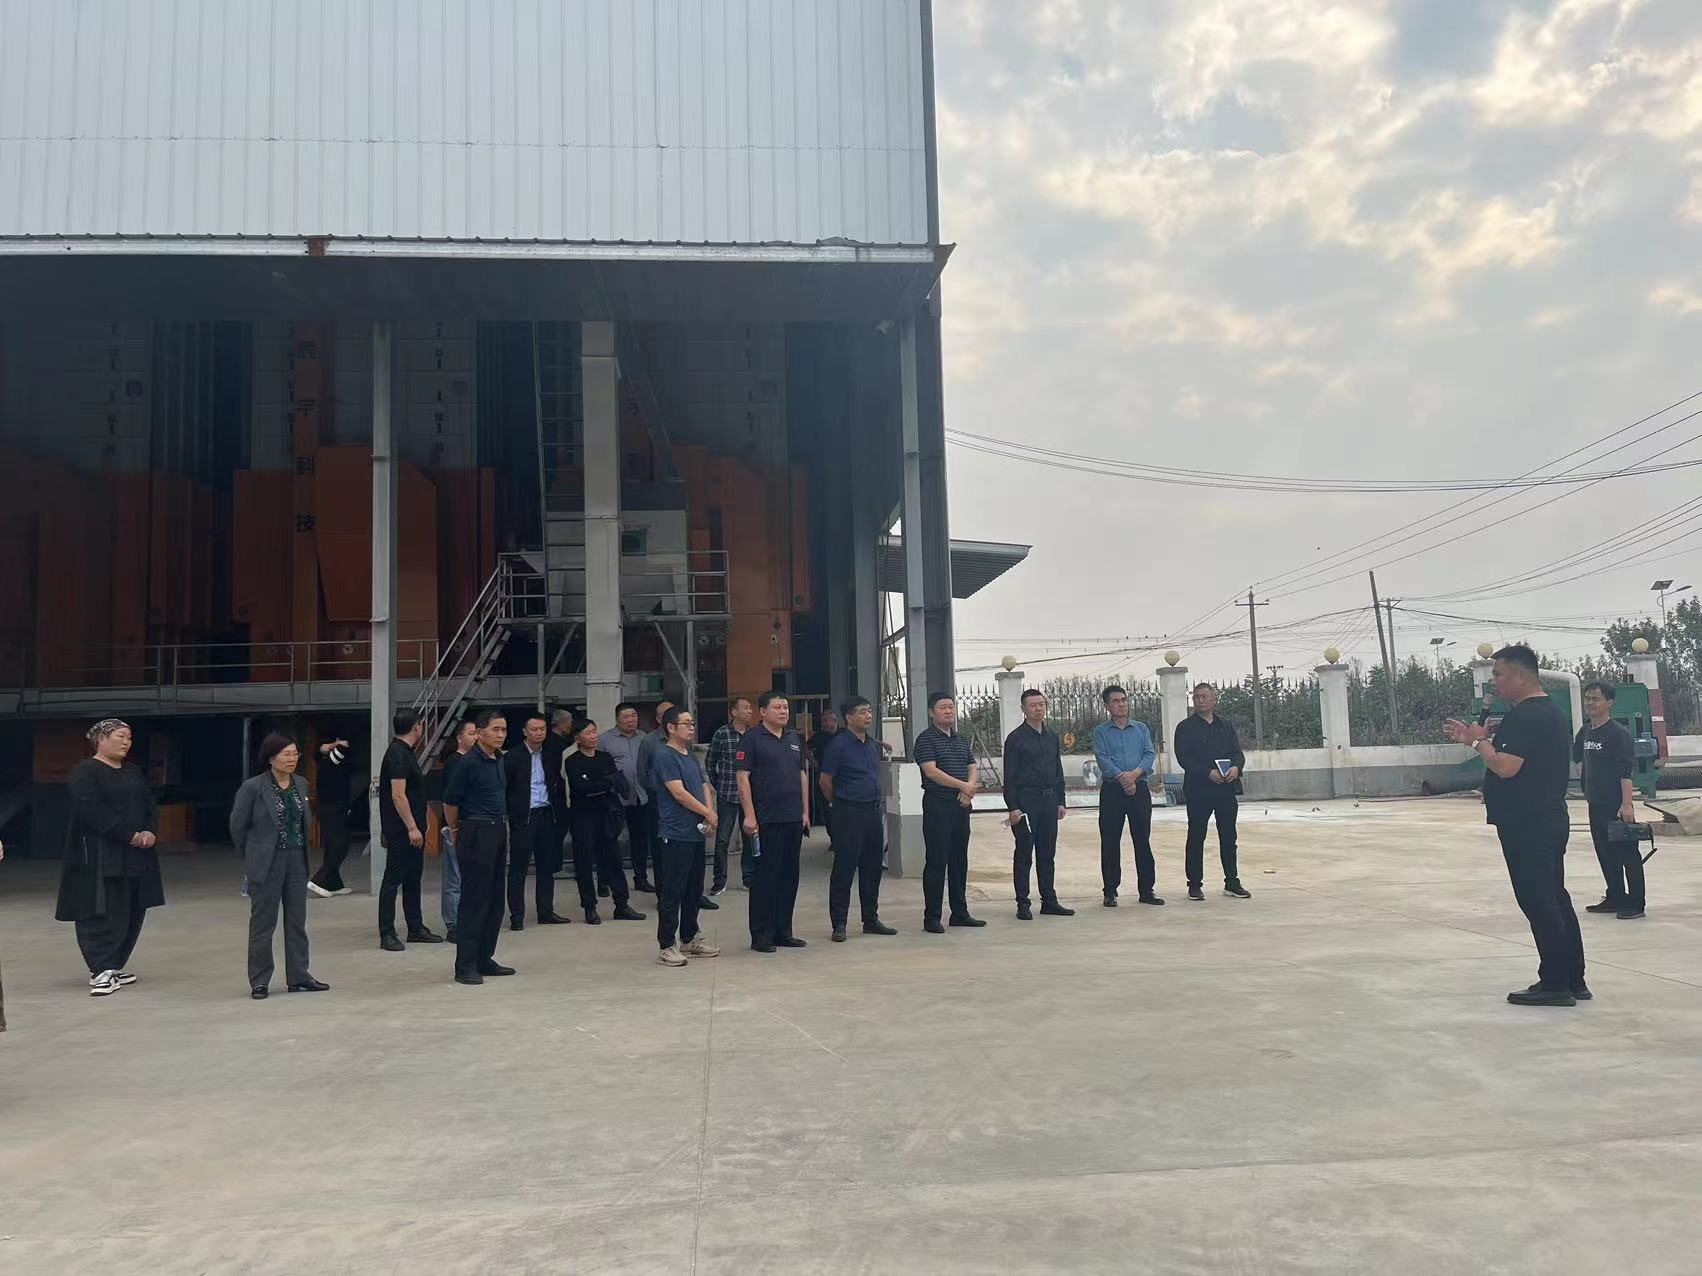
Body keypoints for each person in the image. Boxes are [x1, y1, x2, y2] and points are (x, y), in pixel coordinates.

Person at [1447, 644, 1587, 1006]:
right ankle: (1573, 979)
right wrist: (1477, 740)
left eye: (1498, 674)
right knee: (1554, 897)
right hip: (1546, 818)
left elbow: (1505, 766)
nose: (1494, 682)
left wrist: (1478, 741)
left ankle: (1555, 984)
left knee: (1539, 900)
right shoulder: (1548, 712)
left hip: (1528, 823)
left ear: (1520, 675)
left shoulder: (1526, 716)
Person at [57, 719, 164, 998]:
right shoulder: (85, 772)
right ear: (101, 739)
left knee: (132, 908)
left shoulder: (133, 772)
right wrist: (129, 835)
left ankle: (114, 964)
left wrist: (150, 830)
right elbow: (91, 811)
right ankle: (101, 968)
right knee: (102, 909)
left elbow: (149, 804)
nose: (126, 742)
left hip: (137, 853)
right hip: (101, 854)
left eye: (129, 737)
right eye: (120, 736)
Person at [230, 733, 329, 1000]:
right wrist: (254, 855)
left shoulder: (301, 783)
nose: (292, 759)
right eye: (286, 754)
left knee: (297, 921)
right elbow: (237, 826)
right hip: (267, 860)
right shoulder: (253, 787)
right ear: (271, 757)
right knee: (263, 923)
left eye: (295, 754)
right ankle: (260, 980)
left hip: (297, 859)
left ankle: (299, 976)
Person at [442, 709, 517, 985]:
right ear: (480, 732)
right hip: (475, 829)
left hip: (497, 828)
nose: (500, 734)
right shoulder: (468, 763)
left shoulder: (499, 759)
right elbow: (450, 801)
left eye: (504, 730)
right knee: (474, 899)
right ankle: (465, 965)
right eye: (495, 729)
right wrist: (455, 830)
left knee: (495, 898)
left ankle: (485, 958)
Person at [737, 690, 811, 952]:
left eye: (786, 708)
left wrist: (805, 812)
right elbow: (742, 778)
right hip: (766, 819)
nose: (783, 712)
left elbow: (802, 775)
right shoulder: (752, 739)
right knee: (765, 878)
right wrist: (749, 815)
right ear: (763, 712)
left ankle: (783, 932)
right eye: (777, 707)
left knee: (789, 877)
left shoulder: (793, 738)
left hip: (793, 817)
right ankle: (761, 935)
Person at [650, 706, 723, 966]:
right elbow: (679, 794)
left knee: (694, 889)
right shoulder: (664, 755)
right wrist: (708, 813)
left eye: (692, 723)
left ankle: (690, 937)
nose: (692, 728)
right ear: (670, 727)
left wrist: (709, 814)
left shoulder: (689, 754)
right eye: (686, 724)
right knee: (673, 890)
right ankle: (666, 944)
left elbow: (703, 785)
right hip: (675, 833)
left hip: (695, 832)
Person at [820, 696, 897, 941]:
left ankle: (870, 919)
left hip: (873, 811)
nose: (868, 715)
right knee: (845, 867)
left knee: (872, 867)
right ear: (849, 717)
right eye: (862, 712)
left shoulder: (872, 744)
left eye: (869, 711)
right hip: (848, 812)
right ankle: (839, 924)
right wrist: (838, 802)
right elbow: (825, 781)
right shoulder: (838, 745)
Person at [563, 719, 646, 925]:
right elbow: (581, 788)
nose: (593, 736)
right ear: (577, 738)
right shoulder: (572, 761)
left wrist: (601, 783)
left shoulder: (605, 757)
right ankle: (589, 907)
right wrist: (606, 782)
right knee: (584, 862)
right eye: (588, 733)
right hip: (583, 817)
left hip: (606, 815)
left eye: (594, 731)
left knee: (614, 860)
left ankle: (622, 904)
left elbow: (617, 783)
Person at [913, 692, 983, 934]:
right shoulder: (926, 739)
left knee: (959, 860)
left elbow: (972, 765)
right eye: (943, 707)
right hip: (938, 804)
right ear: (931, 712)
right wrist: (963, 786)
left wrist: (969, 788)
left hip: (961, 805)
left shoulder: (960, 739)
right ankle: (932, 917)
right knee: (936, 861)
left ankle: (960, 913)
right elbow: (931, 772)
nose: (948, 711)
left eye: (951, 707)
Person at [1174, 683, 1251, 902]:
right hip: (1199, 790)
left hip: (1225, 789)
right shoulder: (1185, 727)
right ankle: (1194, 884)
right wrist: (1207, 772)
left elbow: (1237, 753)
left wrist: (1236, 768)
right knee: (1196, 836)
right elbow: (1184, 758)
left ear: (1214, 699)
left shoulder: (1225, 725)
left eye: (1204, 696)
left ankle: (1232, 882)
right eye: (1196, 697)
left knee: (1229, 836)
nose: (1200, 700)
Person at [1575, 682, 1644, 920]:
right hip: (1595, 803)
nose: (1590, 703)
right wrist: (1586, 781)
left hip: (1616, 804)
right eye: (1587, 698)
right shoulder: (1585, 732)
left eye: (1595, 699)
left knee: (1627, 854)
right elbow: (1578, 757)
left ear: (1609, 703)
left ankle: (1636, 903)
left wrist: (1627, 804)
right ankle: (1615, 896)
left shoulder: (1618, 734)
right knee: (1604, 852)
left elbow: (1626, 772)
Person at [377, 709, 444, 951]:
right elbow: (398, 795)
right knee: (393, 879)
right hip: (402, 830)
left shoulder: (406, 752)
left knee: (413, 878)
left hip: (412, 829)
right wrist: (412, 827)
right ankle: (387, 933)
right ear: (417, 726)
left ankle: (415, 927)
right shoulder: (397, 755)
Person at [1006, 688, 1074, 920]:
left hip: (1049, 801)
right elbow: (1009, 776)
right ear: (1023, 709)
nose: (1038, 708)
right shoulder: (1015, 739)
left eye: (1041, 704)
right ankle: (1023, 903)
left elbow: (1058, 770)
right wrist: (1013, 807)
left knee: (1047, 854)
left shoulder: (1051, 736)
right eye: (1033, 705)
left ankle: (1049, 901)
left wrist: (1061, 800)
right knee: (1024, 854)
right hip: (1026, 802)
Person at [1092, 685, 1162, 908]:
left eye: (1124, 700)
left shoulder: (1141, 729)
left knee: (1142, 840)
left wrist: (1134, 775)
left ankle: (1147, 890)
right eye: (1116, 701)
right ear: (1107, 706)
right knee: (1110, 840)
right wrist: (1123, 778)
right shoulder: (1101, 732)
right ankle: (1110, 891)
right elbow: (1102, 758)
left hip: (1139, 789)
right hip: (1112, 790)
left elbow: (1149, 754)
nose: (1121, 704)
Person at [503, 711, 572, 929]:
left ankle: (546, 911)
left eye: (542, 729)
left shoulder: (550, 753)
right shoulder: (513, 757)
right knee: (518, 868)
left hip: (546, 815)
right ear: (525, 732)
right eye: (534, 729)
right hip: (524, 818)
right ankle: (516, 916)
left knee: (546, 867)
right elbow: (505, 788)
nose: (539, 733)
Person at [604, 704, 655, 894]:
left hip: (640, 796)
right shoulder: (605, 740)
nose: (631, 720)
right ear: (617, 719)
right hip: (615, 798)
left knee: (640, 840)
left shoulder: (644, 738)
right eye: (626, 717)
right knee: (610, 839)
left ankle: (640, 878)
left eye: (634, 715)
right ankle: (606, 879)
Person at [706, 696, 753, 893]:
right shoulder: (722, 734)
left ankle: (748, 878)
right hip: (727, 794)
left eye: (750, 708)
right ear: (734, 712)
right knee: (722, 840)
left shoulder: (754, 734)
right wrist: (718, 784)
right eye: (745, 708)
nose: (750, 711)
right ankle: (719, 880)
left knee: (749, 837)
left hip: (749, 796)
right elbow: (710, 762)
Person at [437, 717, 478, 942]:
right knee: (455, 877)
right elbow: (453, 798)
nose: (476, 737)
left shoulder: (477, 760)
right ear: (459, 738)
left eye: (478, 733)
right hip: (456, 826)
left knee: (471, 876)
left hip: (474, 826)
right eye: (471, 733)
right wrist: (453, 827)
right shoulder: (455, 762)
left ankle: (469, 919)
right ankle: (453, 923)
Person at [307, 735, 355, 898]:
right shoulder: (328, 763)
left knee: (334, 847)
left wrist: (330, 745)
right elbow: (342, 749)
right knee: (339, 846)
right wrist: (336, 744)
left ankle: (334, 884)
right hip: (331, 811)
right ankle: (319, 880)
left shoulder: (327, 762)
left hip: (334, 810)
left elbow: (320, 752)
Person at [806, 708, 841, 834]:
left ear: (834, 721)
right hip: (824, 777)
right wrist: (813, 762)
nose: (824, 724)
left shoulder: (845, 734)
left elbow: (863, 738)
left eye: (826, 721)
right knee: (827, 810)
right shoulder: (819, 736)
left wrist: (882, 744)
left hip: (842, 778)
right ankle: (833, 837)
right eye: (823, 721)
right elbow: (804, 747)